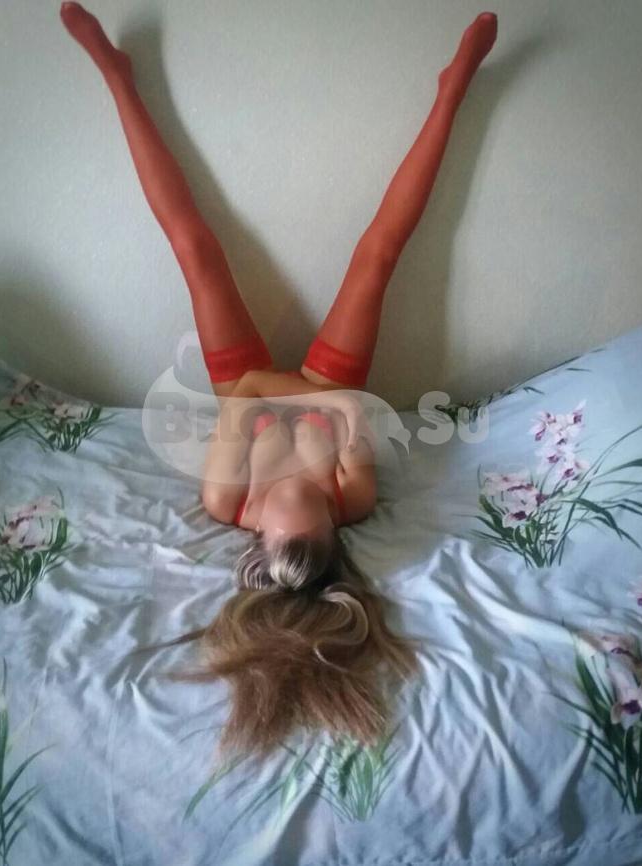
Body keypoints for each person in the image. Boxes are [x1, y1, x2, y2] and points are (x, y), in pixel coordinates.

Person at [60, 2, 498, 756]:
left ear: (256, 535)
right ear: (335, 530)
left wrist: (288, 397)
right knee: (379, 256)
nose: (299, 496)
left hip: (249, 382)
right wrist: (319, 400)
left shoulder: (224, 499)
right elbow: (352, 403)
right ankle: (452, 90)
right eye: (315, 508)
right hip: (321, 382)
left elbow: (251, 391)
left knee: (195, 248)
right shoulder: (354, 498)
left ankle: (118, 78)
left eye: (282, 509)